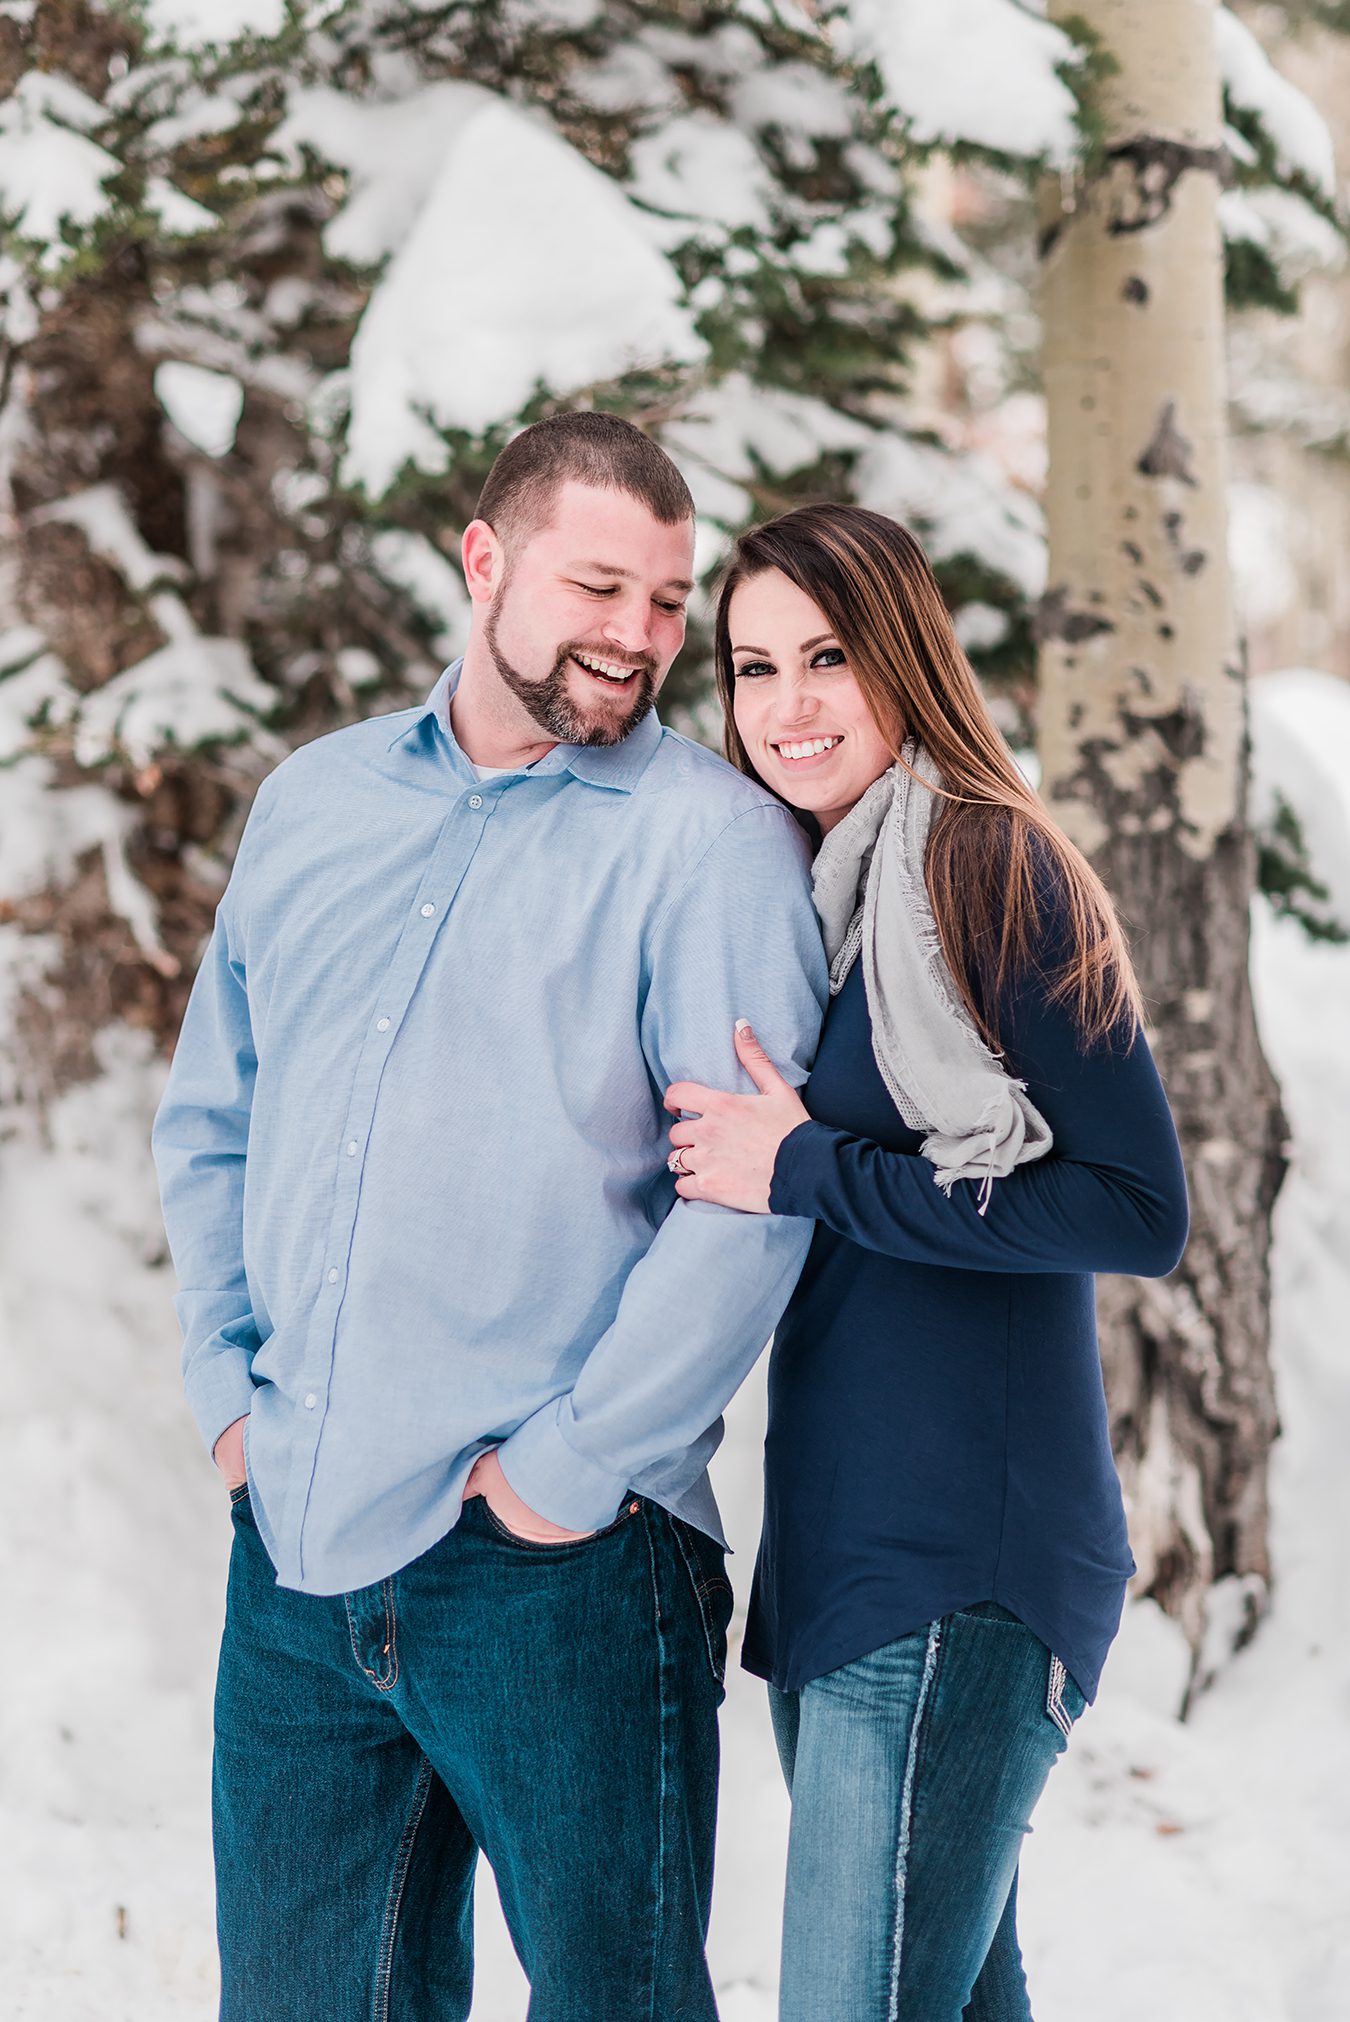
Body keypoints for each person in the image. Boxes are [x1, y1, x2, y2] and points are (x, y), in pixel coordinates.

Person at [152, 412, 827, 2022]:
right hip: (299, 1559)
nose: (639, 637)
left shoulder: (705, 843)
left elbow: (745, 1203)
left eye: (667, 603)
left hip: (561, 1575)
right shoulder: (314, 803)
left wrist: (561, 1476)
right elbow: (211, 1119)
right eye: (600, 585)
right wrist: (226, 1394)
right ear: (482, 560)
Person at [663, 503, 1189, 2021]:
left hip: (964, 1563)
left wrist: (807, 1164)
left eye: (826, 656)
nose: (788, 705)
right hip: (843, 1562)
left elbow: (1129, 1206)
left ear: (902, 654)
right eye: (753, 668)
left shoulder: (983, 867)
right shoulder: (825, 901)